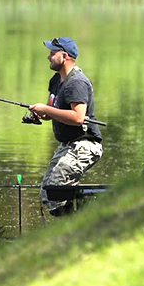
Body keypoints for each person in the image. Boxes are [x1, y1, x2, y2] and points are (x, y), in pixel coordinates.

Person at [24, 36, 103, 217]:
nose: (48, 57)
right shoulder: (56, 80)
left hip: (85, 145)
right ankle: (71, 223)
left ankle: (75, 224)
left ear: (64, 56)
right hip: (67, 145)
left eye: (52, 53)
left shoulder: (77, 83)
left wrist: (47, 110)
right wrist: (40, 114)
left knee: (56, 188)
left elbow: (77, 118)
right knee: (46, 191)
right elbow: (51, 111)